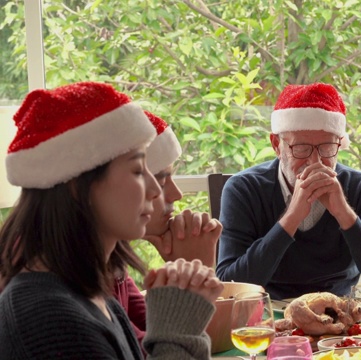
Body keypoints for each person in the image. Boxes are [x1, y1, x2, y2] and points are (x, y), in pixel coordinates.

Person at [0, 82, 223, 359]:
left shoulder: (91, 291)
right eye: (137, 170)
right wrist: (180, 326)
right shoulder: (48, 316)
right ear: (78, 188)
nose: (154, 191)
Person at [216, 82, 361, 301]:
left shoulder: (359, 187)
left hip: (339, 314)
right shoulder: (244, 189)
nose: (315, 162)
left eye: (326, 148)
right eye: (301, 148)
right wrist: (292, 217)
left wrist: (344, 213)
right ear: (277, 145)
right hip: (267, 315)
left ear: (338, 144)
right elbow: (230, 287)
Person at [112, 110, 223, 349]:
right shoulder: (58, 298)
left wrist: (185, 275)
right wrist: (194, 271)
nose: (176, 194)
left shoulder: (111, 264)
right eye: (161, 181)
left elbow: (153, 335)